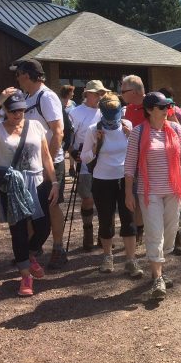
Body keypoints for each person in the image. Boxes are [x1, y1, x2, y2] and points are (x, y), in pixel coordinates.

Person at [0, 88, 59, 297]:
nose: (17, 114)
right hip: (11, 186)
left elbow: (46, 156)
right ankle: (25, 275)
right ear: (5, 110)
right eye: (13, 110)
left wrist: (55, 182)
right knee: (19, 231)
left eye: (21, 110)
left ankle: (30, 255)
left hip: (37, 182)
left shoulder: (35, 125)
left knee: (43, 227)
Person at [124, 92, 181, 300]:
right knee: (154, 233)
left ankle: (158, 266)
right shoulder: (138, 133)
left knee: (169, 233)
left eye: (168, 107)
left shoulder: (175, 129)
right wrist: (127, 194)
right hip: (149, 193)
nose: (167, 110)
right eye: (161, 107)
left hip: (174, 190)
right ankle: (158, 277)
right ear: (149, 110)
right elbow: (130, 166)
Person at [11, 59, 68, 269]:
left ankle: (59, 249)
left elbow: (58, 131)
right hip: (30, 165)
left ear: (26, 75)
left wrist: (48, 165)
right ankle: (33, 248)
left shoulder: (47, 96)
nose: (16, 79)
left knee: (52, 206)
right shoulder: (27, 97)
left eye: (18, 75)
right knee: (30, 208)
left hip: (50, 163)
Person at [80, 94, 142, 276]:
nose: (112, 121)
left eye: (115, 116)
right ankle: (108, 257)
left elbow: (136, 151)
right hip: (102, 180)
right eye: (109, 117)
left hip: (125, 179)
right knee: (106, 220)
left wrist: (130, 136)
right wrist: (96, 145)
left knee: (128, 218)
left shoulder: (127, 125)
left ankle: (131, 260)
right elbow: (84, 157)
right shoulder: (93, 129)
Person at [68, 80, 107, 251]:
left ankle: (103, 235)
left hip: (105, 162)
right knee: (88, 199)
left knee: (104, 201)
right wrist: (72, 152)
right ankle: (88, 232)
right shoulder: (75, 113)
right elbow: (68, 138)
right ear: (87, 94)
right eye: (97, 93)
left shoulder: (107, 112)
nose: (100, 97)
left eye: (102, 93)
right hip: (84, 163)